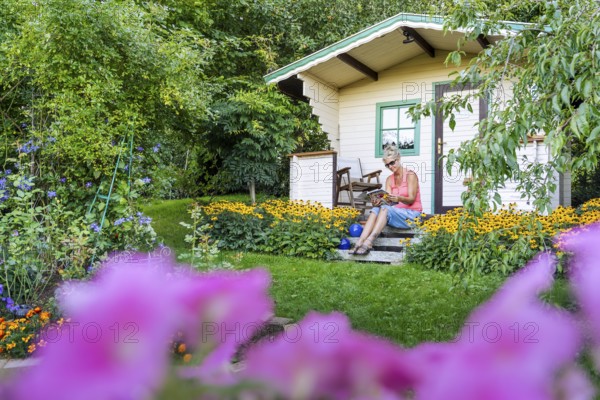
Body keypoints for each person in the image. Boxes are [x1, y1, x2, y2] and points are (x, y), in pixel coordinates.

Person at [351, 145, 423, 255]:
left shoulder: (410, 175)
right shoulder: (389, 179)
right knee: (376, 208)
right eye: (387, 165)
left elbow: (412, 199)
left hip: (412, 215)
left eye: (392, 163)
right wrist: (379, 202)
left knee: (385, 209)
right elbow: (388, 202)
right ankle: (360, 242)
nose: (390, 166)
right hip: (395, 214)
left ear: (398, 159)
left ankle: (369, 241)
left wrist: (399, 198)